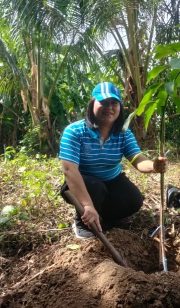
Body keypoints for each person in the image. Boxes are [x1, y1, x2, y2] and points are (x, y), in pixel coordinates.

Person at [59, 81, 168, 239]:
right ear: (92, 104)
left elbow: (137, 159)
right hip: (82, 183)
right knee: (95, 186)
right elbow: (70, 171)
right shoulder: (74, 132)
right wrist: (88, 205)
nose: (109, 107)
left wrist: (154, 166)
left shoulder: (123, 134)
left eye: (114, 103)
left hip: (111, 180)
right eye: (103, 102)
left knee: (134, 200)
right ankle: (82, 222)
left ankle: (102, 218)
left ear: (120, 108)